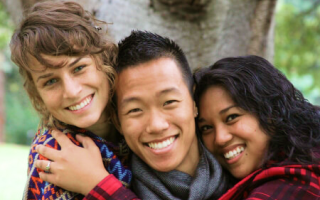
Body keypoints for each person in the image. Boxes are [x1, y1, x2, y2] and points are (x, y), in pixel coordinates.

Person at [35, 30, 230, 200]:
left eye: (169, 102)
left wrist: (103, 187)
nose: (156, 125)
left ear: (194, 102)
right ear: (117, 121)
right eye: (135, 110)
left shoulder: (243, 170)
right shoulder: (92, 184)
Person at [10, 1, 134, 200]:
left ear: (103, 58)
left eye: (78, 68)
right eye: (51, 81)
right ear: (37, 93)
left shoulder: (139, 117)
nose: (72, 91)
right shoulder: (54, 160)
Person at [194, 55, 320, 200]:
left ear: (271, 113)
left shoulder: (298, 183)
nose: (220, 138)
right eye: (206, 128)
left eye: (231, 117)